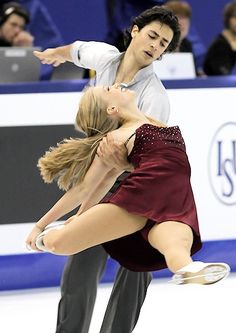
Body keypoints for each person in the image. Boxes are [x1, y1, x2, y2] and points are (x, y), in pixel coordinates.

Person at [17, 6, 181, 333]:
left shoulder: (154, 97)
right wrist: (54, 53)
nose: (155, 47)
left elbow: (118, 166)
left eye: (164, 45)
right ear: (135, 31)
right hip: (106, 175)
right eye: (153, 36)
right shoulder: (107, 58)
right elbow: (77, 50)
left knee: (135, 272)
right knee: (79, 267)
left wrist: (59, 218)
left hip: (142, 187)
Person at [28, 83, 230, 287]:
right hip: (139, 197)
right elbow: (87, 187)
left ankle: (189, 269)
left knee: (177, 246)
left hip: (175, 200)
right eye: (108, 90)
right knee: (60, 243)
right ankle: (44, 238)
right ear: (112, 109)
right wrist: (42, 225)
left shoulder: (155, 122)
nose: (116, 85)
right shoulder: (116, 138)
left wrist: (82, 215)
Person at [203, 0, 236, 76]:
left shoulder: (232, 44)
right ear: (228, 19)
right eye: (235, 16)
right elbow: (224, 75)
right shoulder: (220, 45)